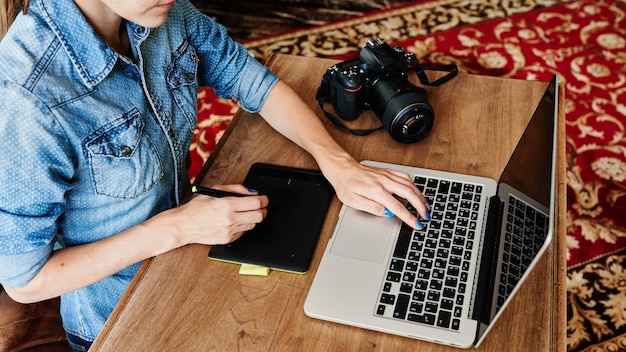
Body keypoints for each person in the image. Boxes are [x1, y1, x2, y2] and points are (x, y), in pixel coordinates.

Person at [0, 0, 431, 350]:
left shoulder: (159, 13)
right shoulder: (26, 97)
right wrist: (177, 225)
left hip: (189, 248)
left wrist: (339, 165)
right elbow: (26, 280)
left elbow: (253, 81)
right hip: (121, 317)